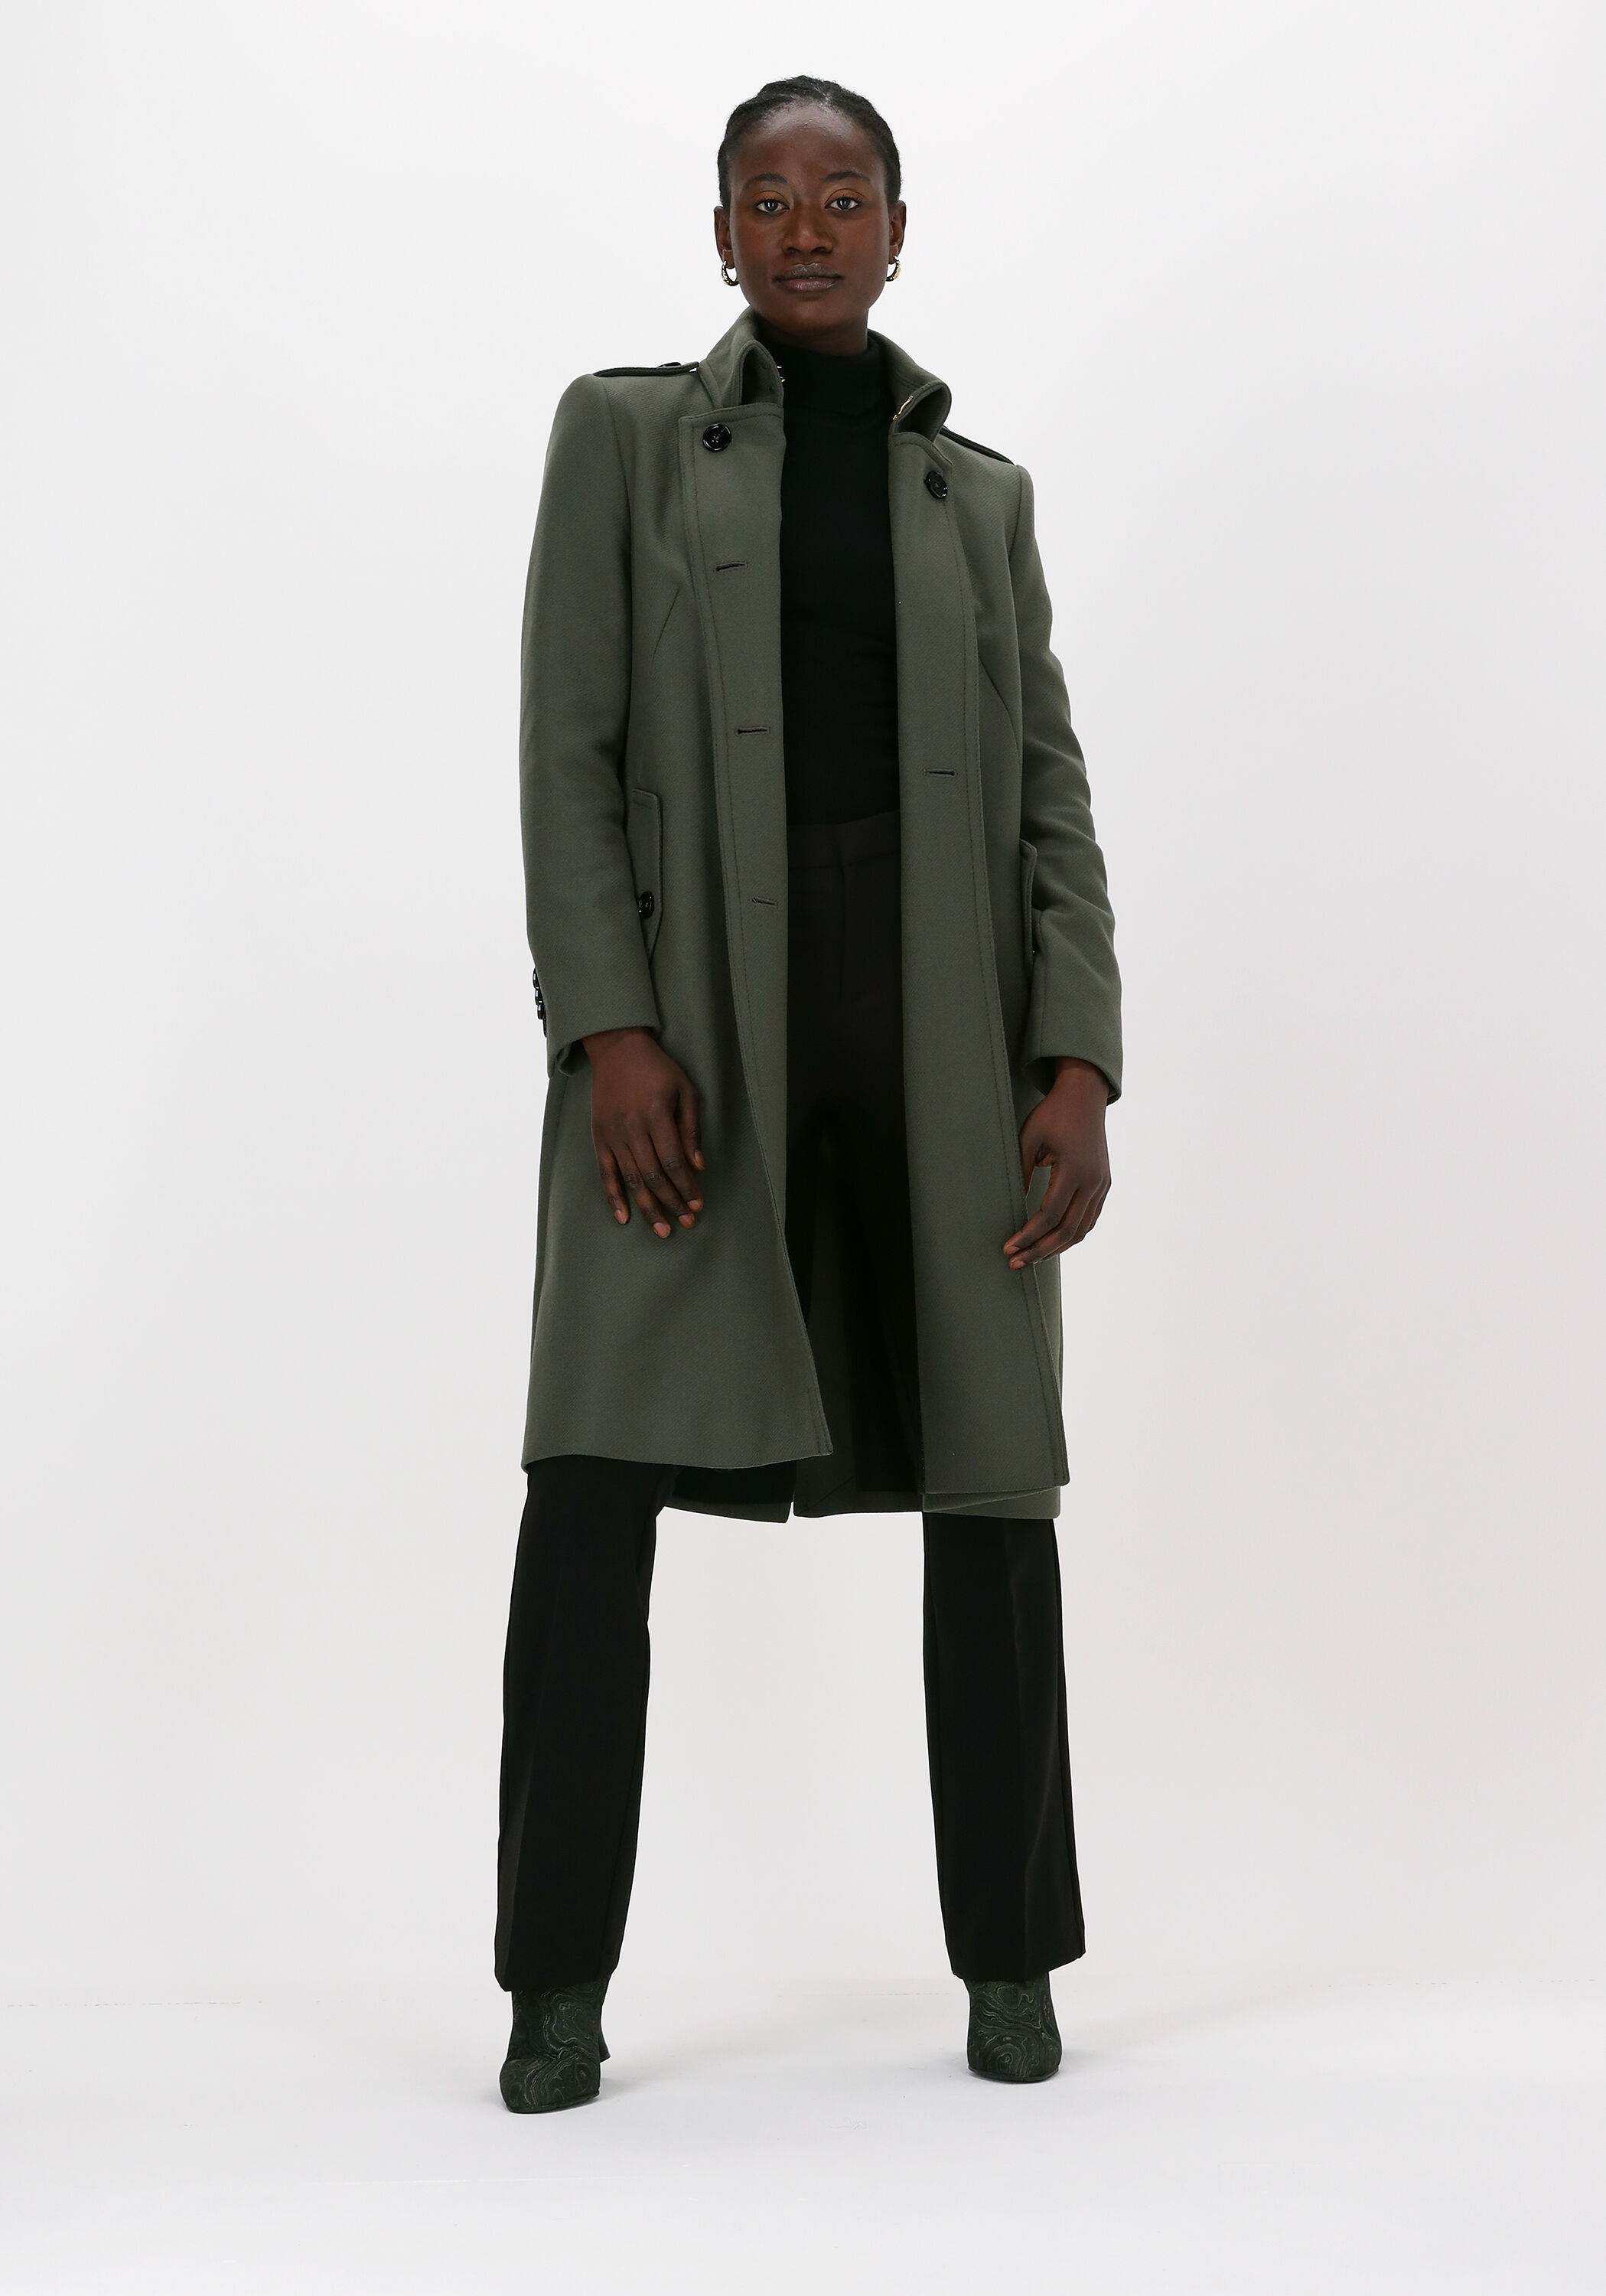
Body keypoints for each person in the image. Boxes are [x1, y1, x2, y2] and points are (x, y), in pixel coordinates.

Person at [497, 75, 1122, 2112]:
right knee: (592, 1481)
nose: (806, 231)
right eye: (766, 200)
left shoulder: (979, 501)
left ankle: (1011, 1963)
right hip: (697, 1018)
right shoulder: (621, 439)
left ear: (897, 229)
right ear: (720, 236)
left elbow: (1048, 794)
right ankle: (553, 1986)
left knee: (989, 1491)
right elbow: (567, 753)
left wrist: (1078, 1057)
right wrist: (609, 1028)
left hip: (940, 1023)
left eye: (842, 197)